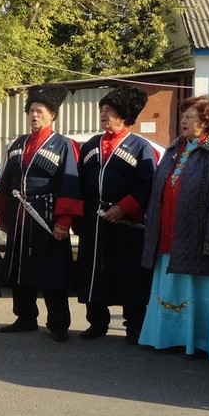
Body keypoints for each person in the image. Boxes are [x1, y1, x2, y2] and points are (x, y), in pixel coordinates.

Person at [138, 95, 209, 359]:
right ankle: (170, 338)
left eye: (190, 116)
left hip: (198, 237)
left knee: (196, 288)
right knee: (171, 287)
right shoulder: (174, 149)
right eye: (183, 116)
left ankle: (200, 342)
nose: (184, 121)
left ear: (207, 120)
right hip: (169, 233)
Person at [0, 84, 82, 341]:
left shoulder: (64, 146)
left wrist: (64, 222)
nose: (34, 115)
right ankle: (25, 317)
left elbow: (71, 184)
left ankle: (58, 324)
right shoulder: (17, 145)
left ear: (52, 115)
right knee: (21, 270)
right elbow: (7, 182)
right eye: (31, 110)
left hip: (48, 217)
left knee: (52, 272)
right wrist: (4, 216)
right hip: (21, 215)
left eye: (40, 111)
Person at [75, 86, 157, 343]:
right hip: (94, 221)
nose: (104, 115)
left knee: (128, 273)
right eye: (102, 110)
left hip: (126, 223)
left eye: (109, 111)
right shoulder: (89, 146)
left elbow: (147, 184)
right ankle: (97, 323)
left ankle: (134, 326)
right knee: (92, 271)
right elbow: (77, 181)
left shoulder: (140, 148)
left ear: (124, 116)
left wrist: (124, 208)